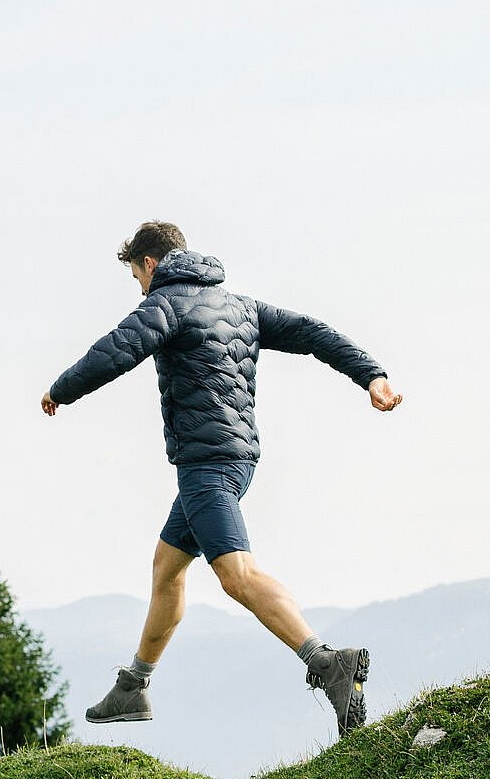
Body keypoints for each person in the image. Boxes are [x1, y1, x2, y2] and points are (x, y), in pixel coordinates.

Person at [40, 221, 401, 738]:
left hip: (206, 467)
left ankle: (327, 663)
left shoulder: (166, 304)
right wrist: (372, 374)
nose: (140, 289)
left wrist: (61, 390)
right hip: (234, 458)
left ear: (149, 264)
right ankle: (133, 686)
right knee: (168, 568)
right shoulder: (239, 306)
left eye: (137, 277)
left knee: (237, 575)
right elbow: (313, 332)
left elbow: (114, 352)